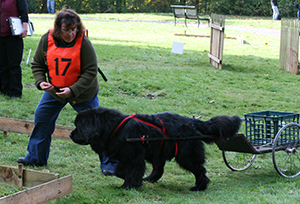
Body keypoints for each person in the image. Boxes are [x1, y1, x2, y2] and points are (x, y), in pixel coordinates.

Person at [17, 8, 117, 176]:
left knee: (96, 127)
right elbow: (38, 64)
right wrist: (41, 82)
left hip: (83, 93)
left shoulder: (84, 43)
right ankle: (36, 157)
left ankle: (110, 163)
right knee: (42, 117)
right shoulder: (46, 39)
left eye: (74, 29)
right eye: (66, 30)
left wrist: (73, 90)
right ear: (58, 28)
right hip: (55, 90)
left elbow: (90, 72)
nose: (71, 34)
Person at [0, 0, 28, 99]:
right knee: (2, 65)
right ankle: (4, 90)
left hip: (13, 35)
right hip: (1, 35)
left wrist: (25, 28)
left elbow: (23, 12)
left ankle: (15, 92)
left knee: (13, 65)